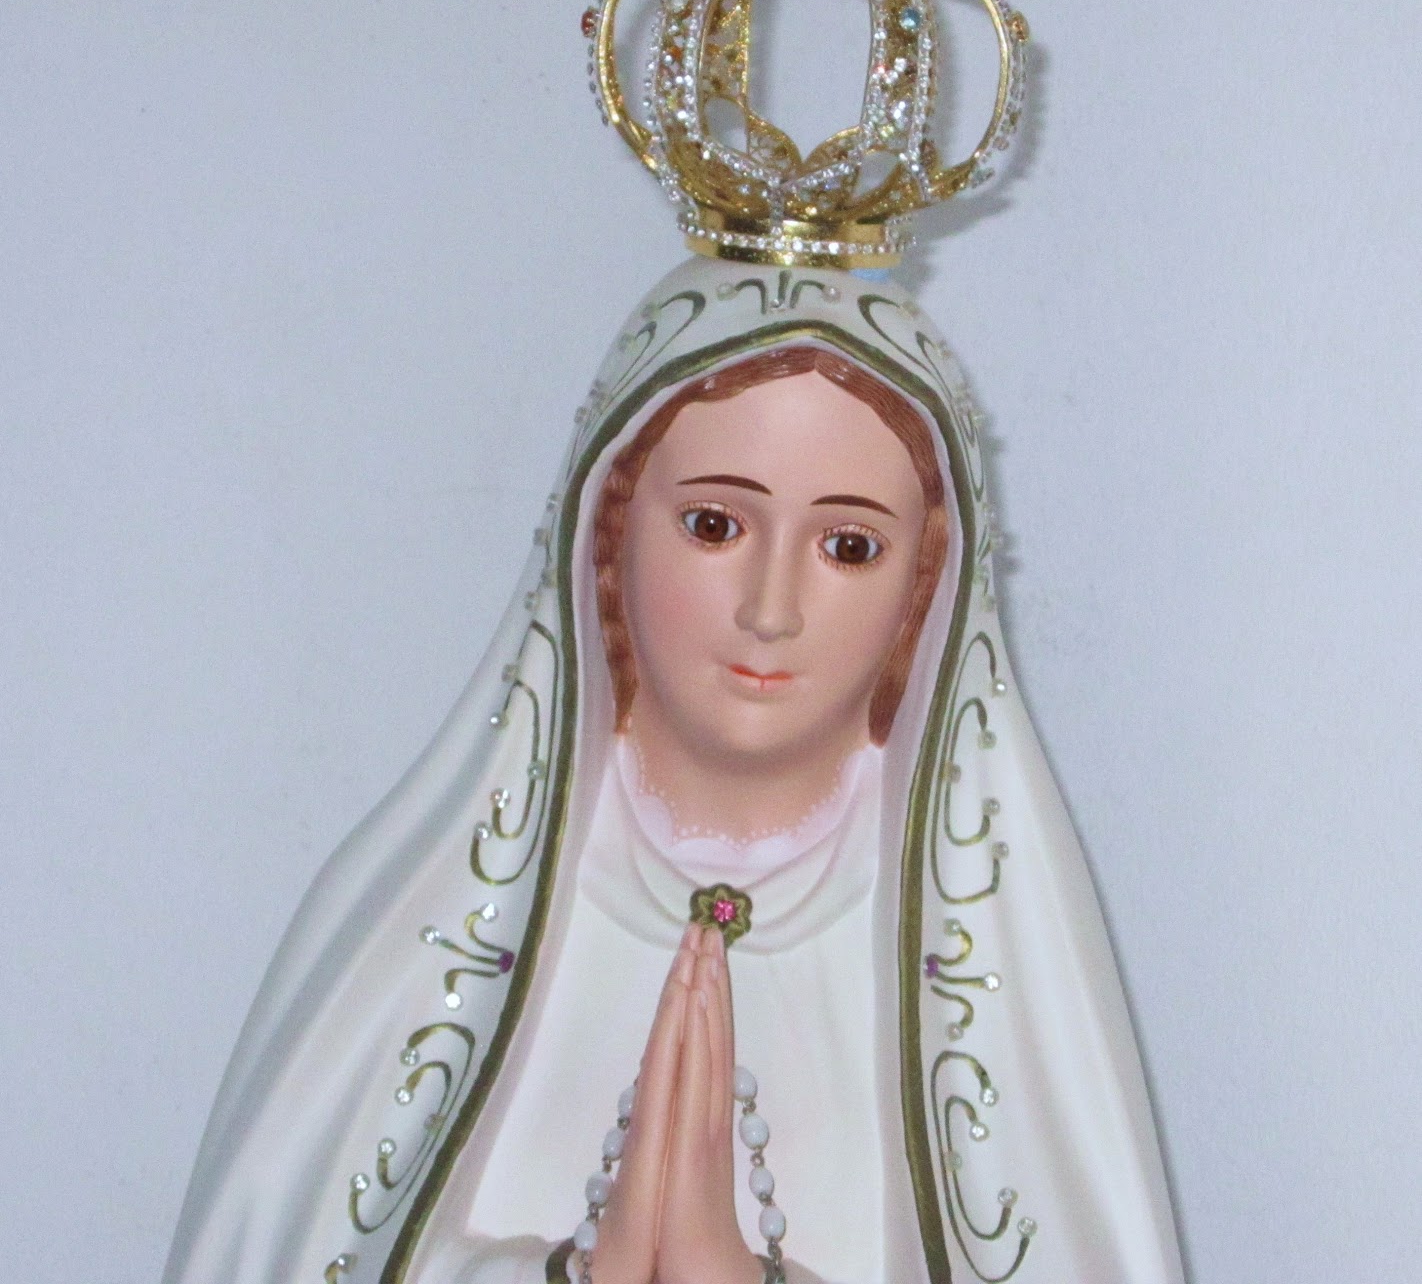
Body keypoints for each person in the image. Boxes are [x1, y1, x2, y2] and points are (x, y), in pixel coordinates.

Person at [162, 257, 1186, 1284]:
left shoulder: (981, 952)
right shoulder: (425, 913)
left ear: (927, 585)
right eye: (714, 525)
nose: (771, 608)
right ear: (607, 531)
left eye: (848, 546)